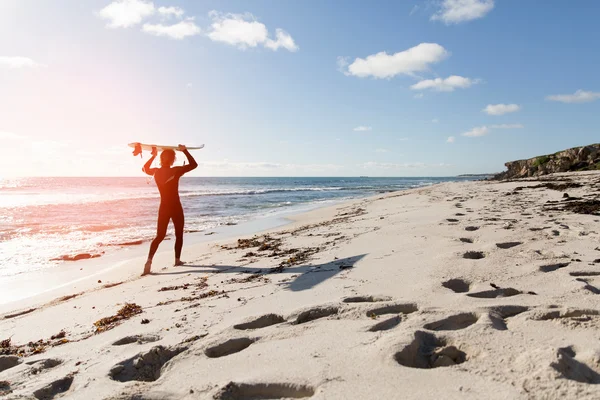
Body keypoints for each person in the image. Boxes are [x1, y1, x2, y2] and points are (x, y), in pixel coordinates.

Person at [141, 144, 198, 276]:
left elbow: (144, 168)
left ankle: (149, 261)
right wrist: (185, 151)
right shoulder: (176, 171)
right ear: (173, 160)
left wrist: (153, 156)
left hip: (163, 207)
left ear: (161, 159)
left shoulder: (155, 171)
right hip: (176, 207)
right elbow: (194, 165)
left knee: (160, 236)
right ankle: (177, 260)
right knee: (179, 233)